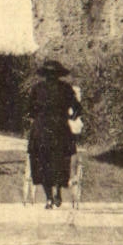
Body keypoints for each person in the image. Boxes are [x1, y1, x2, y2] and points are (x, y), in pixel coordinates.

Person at [25, 59, 83, 208]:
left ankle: (49, 198)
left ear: (45, 75)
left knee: (42, 163)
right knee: (60, 161)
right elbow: (77, 108)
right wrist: (71, 117)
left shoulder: (37, 89)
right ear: (58, 75)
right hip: (60, 130)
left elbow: (29, 111)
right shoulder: (66, 88)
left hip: (41, 130)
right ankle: (57, 191)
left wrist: (36, 117)